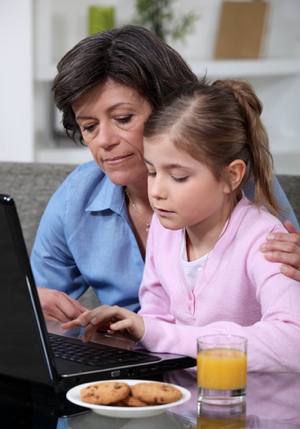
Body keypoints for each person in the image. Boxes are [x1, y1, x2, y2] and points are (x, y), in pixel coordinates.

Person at [31, 25, 300, 324]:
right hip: (131, 360)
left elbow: (288, 293)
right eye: (89, 126)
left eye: (123, 118)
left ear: (168, 110)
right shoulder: (75, 198)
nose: (104, 140)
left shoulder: (234, 181)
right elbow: (34, 299)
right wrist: (32, 301)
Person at [63, 79, 300, 373]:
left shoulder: (266, 241)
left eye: (178, 177)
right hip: (181, 408)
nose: (157, 191)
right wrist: (131, 330)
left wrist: (159, 334)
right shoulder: (165, 231)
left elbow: (293, 341)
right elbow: (156, 319)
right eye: (152, 172)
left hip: (257, 413)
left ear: (232, 176)